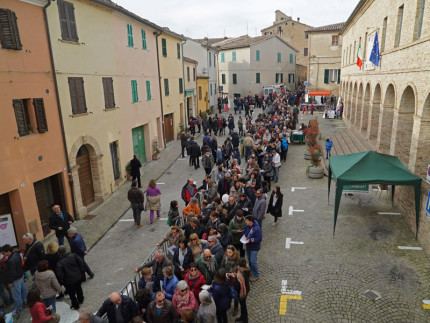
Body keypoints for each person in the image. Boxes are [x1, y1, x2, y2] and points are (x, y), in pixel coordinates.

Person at [2, 244, 27, 318]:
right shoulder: (16, 254)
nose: (3, 254)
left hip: (15, 280)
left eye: (4, 253)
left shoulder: (10, 260)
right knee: (23, 290)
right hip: (21, 276)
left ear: (8, 252)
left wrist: (10, 282)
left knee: (16, 296)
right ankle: (25, 301)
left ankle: (18, 309)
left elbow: (12, 273)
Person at [56, 245, 85, 310]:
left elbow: (59, 274)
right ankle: (81, 299)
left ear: (59, 253)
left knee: (72, 294)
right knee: (79, 288)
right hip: (77, 276)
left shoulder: (60, 263)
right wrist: (80, 271)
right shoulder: (73, 255)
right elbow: (81, 262)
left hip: (68, 281)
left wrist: (62, 280)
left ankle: (75, 305)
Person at [243, 216, 262, 282]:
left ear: (250, 221)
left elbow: (259, 239)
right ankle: (251, 270)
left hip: (254, 247)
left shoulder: (257, 228)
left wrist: (250, 240)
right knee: (249, 260)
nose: (245, 222)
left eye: (246, 220)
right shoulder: (247, 226)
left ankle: (256, 275)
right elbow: (244, 232)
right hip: (248, 246)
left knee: (253, 261)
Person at [233, 257, 251, 323]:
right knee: (243, 305)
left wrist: (234, 277)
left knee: (243, 306)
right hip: (246, 288)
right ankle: (242, 317)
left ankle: (245, 319)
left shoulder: (240, 276)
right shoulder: (247, 269)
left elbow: (236, 286)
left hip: (242, 292)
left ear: (239, 266)